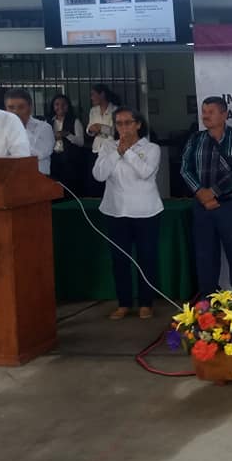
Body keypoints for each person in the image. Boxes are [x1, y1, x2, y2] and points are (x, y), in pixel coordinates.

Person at [92, 107, 163, 320]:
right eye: (119, 123)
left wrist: (128, 152)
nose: (123, 128)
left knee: (146, 259)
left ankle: (145, 303)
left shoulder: (151, 148)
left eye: (128, 123)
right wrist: (116, 152)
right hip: (116, 211)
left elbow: (145, 172)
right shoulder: (107, 147)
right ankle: (123, 303)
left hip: (146, 212)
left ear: (138, 124)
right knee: (119, 260)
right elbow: (99, 174)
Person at [180, 96, 232, 300]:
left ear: (224, 114)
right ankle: (208, 299)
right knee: (205, 254)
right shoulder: (196, 139)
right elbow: (185, 168)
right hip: (202, 206)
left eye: (210, 112)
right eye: (204, 112)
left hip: (230, 205)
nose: (205, 116)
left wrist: (212, 192)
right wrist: (201, 193)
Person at [4, 88, 54, 176]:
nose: (15, 112)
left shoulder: (44, 128)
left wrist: (19, 129)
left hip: (38, 179)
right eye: (11, 108)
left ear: (30, 108)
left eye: (21, 107)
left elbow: (39, 154)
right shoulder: (1, 129)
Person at [47, 93, 86, 196]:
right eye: (57, 104)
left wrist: (67, 134)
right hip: (54, 157)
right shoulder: (48, 122)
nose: (60, 107)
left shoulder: (75, 121)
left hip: (70, 159)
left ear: (68, 106)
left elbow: (81, 142)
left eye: (63, 104)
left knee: (70, 185)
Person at [85, 84, 120, 196]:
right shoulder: (93, 111)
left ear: (102, 94)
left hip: (111, 149)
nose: (92, 98)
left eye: (93, 95)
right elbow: (89, 128)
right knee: (96, 178)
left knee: (110, 178)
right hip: (96, 148)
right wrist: (91, 130)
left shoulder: (116, 110)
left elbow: (116, 131)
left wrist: (101, 128)